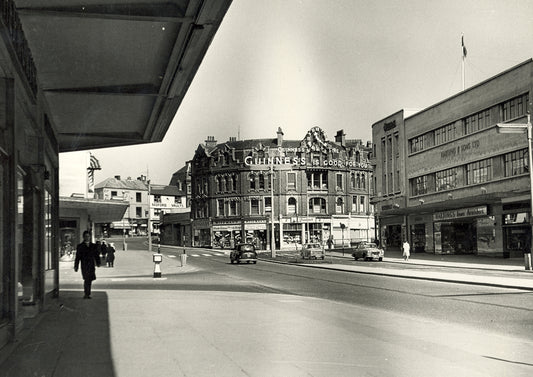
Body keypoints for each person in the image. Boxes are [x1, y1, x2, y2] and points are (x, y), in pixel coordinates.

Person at [74, 231, 101, 299]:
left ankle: (87, 293)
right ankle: (87, 294)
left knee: (90, 279)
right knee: (86, 279)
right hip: (84, 265)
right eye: (86, 236)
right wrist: (76, 266)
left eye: (88, 236)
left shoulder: (93, 246)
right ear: (83, 237)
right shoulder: (80, 246)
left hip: (91, 265)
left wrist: (98, 263)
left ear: (90, 237)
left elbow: (96, 255)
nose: (87, 238)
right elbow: (77, 257)